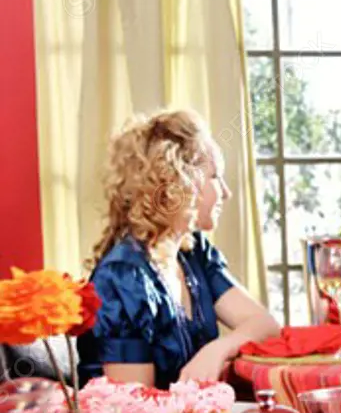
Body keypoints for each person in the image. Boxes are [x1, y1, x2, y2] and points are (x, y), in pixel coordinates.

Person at [77, 109, 280, 389]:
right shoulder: (122, 277)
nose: (225, 191)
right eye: (215, 176)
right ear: (179, 182)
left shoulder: (194, 254)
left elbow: (265, 324)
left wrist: (219, 349)